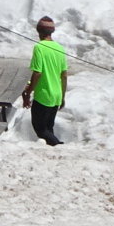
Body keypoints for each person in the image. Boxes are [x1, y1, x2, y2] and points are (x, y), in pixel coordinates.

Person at [23, 15, 68, 145]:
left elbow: (37, 73)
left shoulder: (39, 47)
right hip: (56, 95)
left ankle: (59, 146)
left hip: (43, 95)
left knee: (41, 129)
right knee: (48, 128)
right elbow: (64, 75)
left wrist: (28, 92)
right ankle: (54, 150)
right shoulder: (60, 48)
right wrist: (62, 96)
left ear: (39, 31)